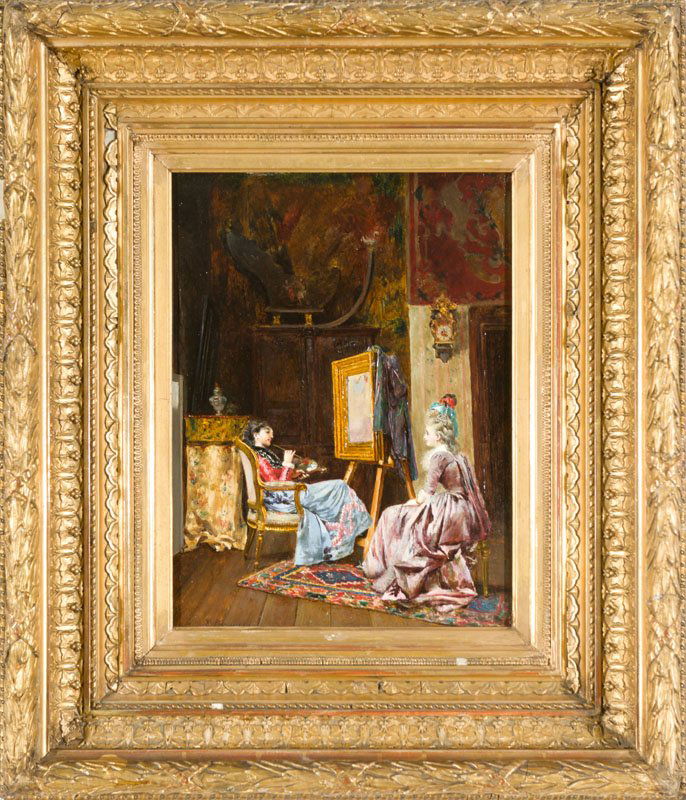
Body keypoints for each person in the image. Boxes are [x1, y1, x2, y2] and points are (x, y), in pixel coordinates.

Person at [362, 401, 491, 612]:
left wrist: (407, 504)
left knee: (393, 514)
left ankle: (384, 570)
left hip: (450, 511)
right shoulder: (459, 455)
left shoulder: (438, 457)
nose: (424, 437)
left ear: (438, 436)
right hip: (466, 511)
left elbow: (424, 495)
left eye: (427, 433)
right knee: (410, 517)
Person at [241, 420, 372, 566]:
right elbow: (278, 485)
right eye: (267, 432)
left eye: (272, 433)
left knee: (337, 488)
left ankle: (349, 531)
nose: (271, 436)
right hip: (282, 499)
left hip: (284, 495)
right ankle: (356, 529)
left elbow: (280, 479)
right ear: (256, 435)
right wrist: (287, 463)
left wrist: (295, 474)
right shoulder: (259, 457)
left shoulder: (265, 454)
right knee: (339, 486)